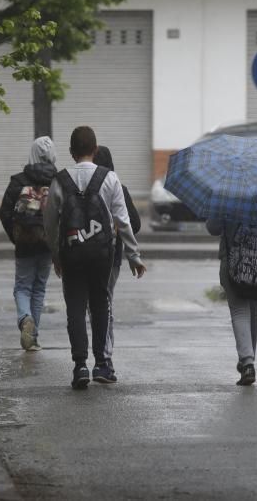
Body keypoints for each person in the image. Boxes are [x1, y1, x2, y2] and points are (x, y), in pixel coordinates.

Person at [43, 126, 147, 389]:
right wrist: (134, 256)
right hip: (102, 254)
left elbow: (51, 223)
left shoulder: (60, 180)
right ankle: (102, 363)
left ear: (71, 152)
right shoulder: (110, 179)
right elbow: (123, 220)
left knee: (76, 307)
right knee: (101, 305)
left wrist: (56, 254)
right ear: (96, 149)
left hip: (72, 251)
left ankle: (79, 366)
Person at [206, 215, 257, 386]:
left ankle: (247, 363)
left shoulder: (226, 194)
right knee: (253, 311)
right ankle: (248, 361)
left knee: (240, 311)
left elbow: (213, 228)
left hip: (232, 261)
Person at [0, 136, 58, 352]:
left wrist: (16, 235)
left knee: (22, 287)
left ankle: (25, 319)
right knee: (39, 288)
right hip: (47, 242)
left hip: (24, 243)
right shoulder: (59, 181)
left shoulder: (18, 180)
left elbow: (4, 211)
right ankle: (33, 338)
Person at [92, 145, 140, 381]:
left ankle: (86, 359)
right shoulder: (118, 187)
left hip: (83, 253)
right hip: (112, 257)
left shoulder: (81, 187)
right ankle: (105, 359)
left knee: (90, 305)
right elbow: (136, 224)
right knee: (106, 304)